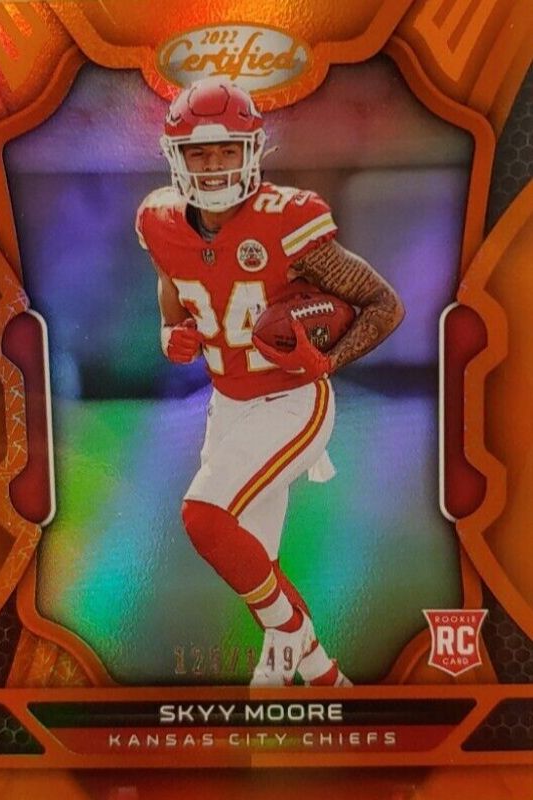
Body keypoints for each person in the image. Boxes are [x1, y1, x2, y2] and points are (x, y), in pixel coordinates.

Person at [136, 77, 404, 687]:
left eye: (226, 150)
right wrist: (170, 332)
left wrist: (327, 362)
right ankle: (327, 680)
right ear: (176, 157)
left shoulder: (288, 221)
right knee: (255, 563)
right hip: (228, 404)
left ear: (252, 150)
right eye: (200, 153)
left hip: (292, 400)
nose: (213, 166)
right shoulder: (159, 220)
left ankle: (289, 635)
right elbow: (171, 287)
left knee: (204, 518)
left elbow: (384, 305)